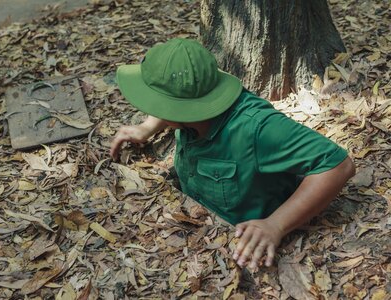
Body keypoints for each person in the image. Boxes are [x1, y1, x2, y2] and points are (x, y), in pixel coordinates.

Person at [110, 38, 355, 270]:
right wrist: (149, 126)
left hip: (242, 236)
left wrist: (276, 224)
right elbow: (179, 95)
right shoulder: (194, 103)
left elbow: (337, 165)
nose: (153, 109)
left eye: (156, 104)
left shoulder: (257, 128)